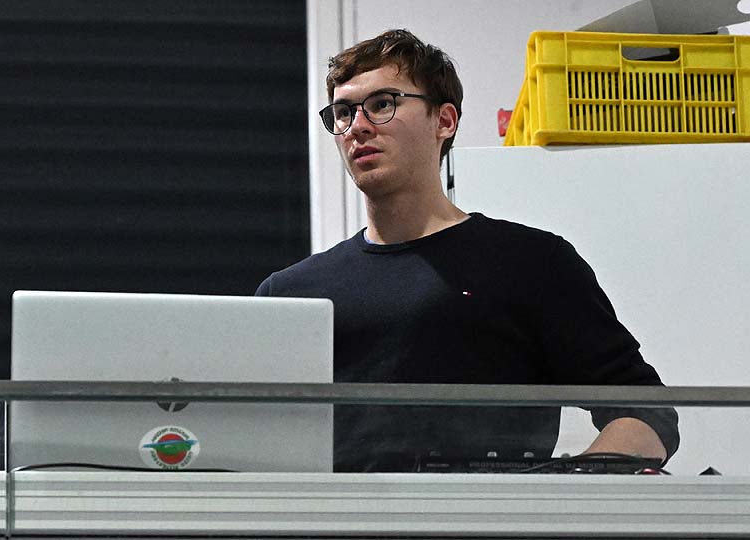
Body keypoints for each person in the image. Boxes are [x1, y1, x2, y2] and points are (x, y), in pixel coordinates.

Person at [256, 29, 679, 472]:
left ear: (444, 121)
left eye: (382, 104)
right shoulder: (290, 294)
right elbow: (246, 441)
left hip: (491, 512)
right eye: (343, 112)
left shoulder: (532, 264)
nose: (357, 127)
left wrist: (562, 489)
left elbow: (647, 414)